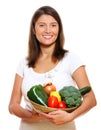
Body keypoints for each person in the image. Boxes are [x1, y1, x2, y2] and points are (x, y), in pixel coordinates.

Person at [8, 5, 97, 130]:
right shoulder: (24, 63)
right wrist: (33, 116)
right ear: (34, 29)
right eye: (42, 25)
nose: (48, 30)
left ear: (59, 29)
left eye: (53, 25)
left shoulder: (71, 59)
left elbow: (91, 99)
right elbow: (13, 106)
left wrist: (70, 117)